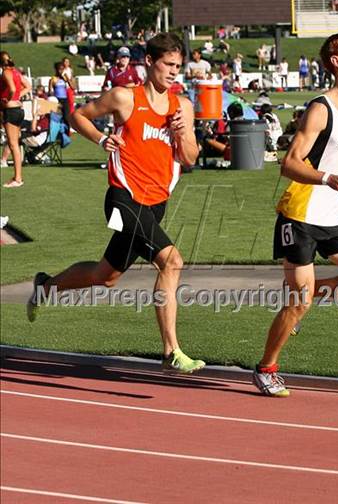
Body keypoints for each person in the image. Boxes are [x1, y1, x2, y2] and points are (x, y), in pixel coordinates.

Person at [27, 32, 206, 375]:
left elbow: (190, 157)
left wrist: (183, 132)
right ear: (150, 62)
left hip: (156, 202)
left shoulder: (181, 106)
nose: (173, 72)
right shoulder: (125, 97)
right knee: (172, 261)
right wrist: (100, 138)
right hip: (122, 199)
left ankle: (46, 285)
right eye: (168, 65)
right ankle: (171, 351)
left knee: (104, 276)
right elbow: (79, 116)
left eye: (178, 66)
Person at [253, 31, 338, 397]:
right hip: (301, 216)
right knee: (299, 305)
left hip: (336, 216)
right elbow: (289, 164)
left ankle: (305, 294)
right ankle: (266, 368)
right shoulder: (320, 108)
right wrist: (329, 179)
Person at [0, 51, 31, 187]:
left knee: (13, 145)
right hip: (18, 109)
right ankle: (17, 177)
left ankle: (18, 178)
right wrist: (17, 96)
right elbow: (28, 86)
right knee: (14, 144)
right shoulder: (16, 72)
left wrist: (9, 98)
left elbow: (12, 88)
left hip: (10, 109)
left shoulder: (6, 72)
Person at [49, 61, 73, 129]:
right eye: (60, 69)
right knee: (57, 117)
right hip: (57, 100)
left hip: (65, 100)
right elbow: (50, 92)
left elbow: (73, 87)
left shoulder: (64, 78)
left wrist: (68, 79)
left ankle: (66, 134)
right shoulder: (53, 79)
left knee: (66, 117)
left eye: (62, 69)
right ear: (56, 70)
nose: (61, 71)